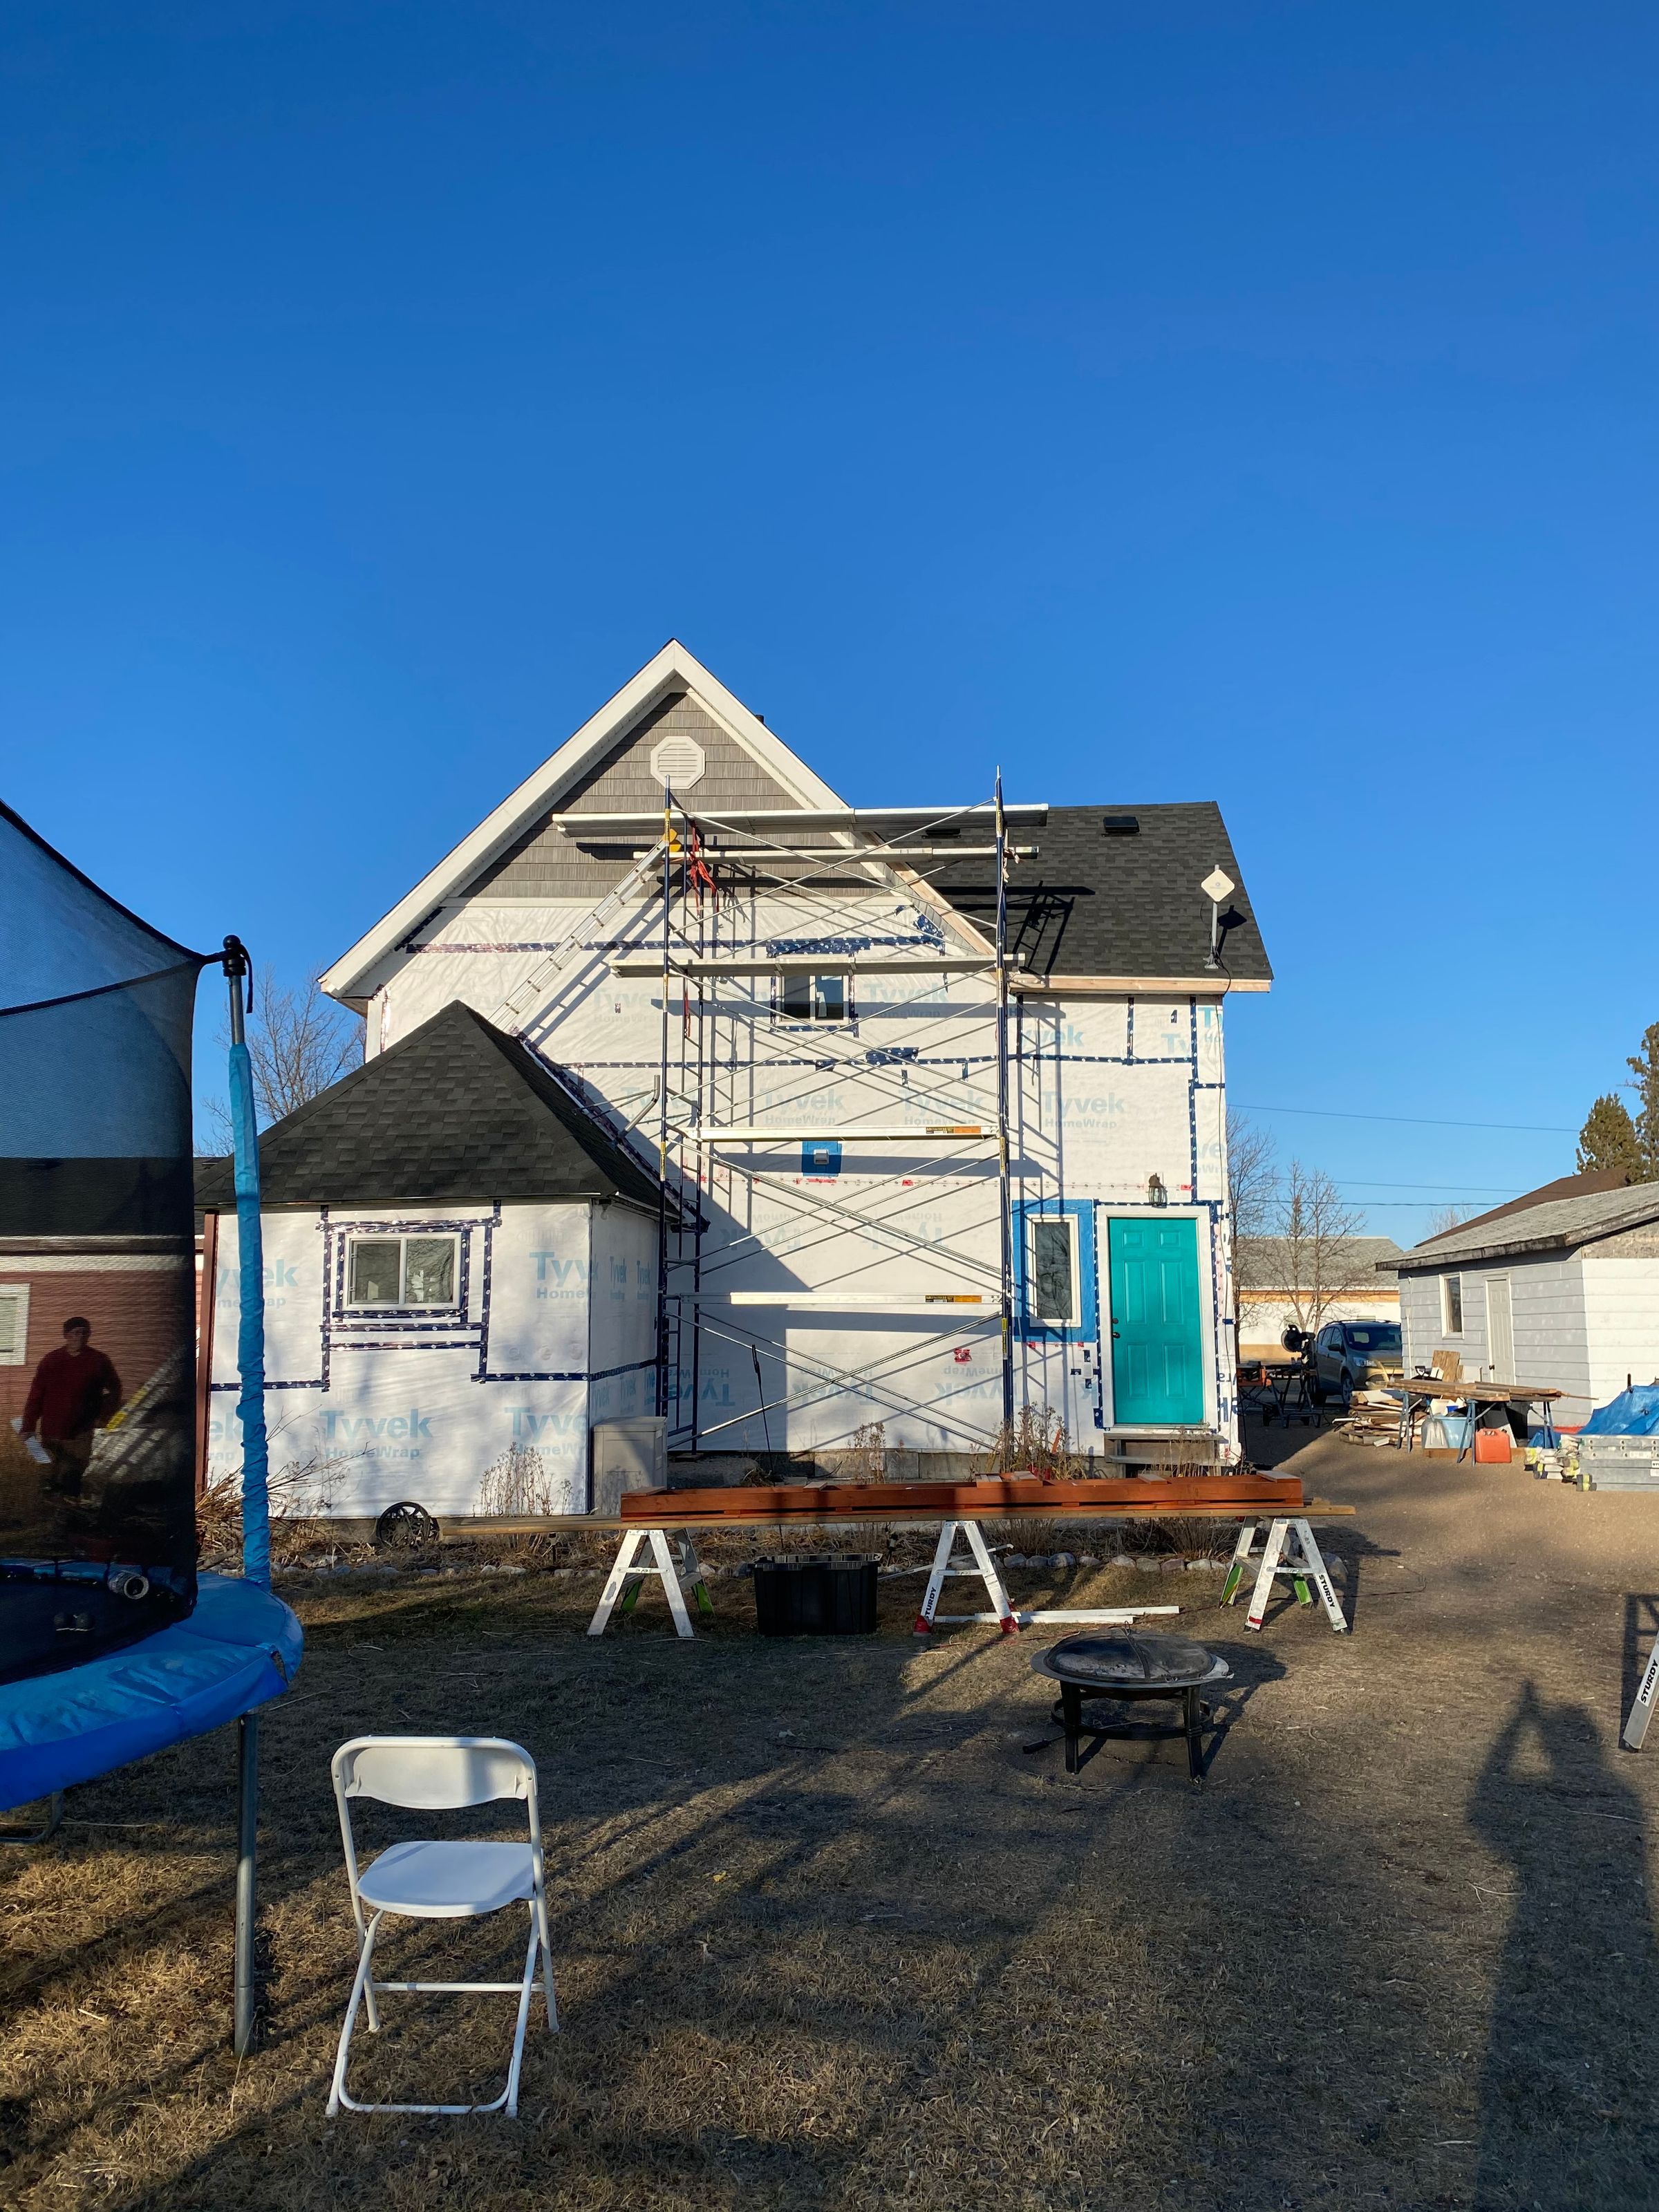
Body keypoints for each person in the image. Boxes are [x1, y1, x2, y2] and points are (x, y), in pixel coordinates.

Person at [18, 1316, 123, 1501]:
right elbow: (36, 1394)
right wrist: (28, 1426)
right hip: (52, 1428)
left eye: (84, 1333)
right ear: (66, 1335)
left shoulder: (98, 1360)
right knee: (51, 1472)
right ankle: (48, 1512)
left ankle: (70, 1513)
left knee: (73, 1473)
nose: (80, 1337)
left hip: (81, 1430)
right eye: (76, 1333)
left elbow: (115, 1390)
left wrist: (104, 1416)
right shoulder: (52, 1360)